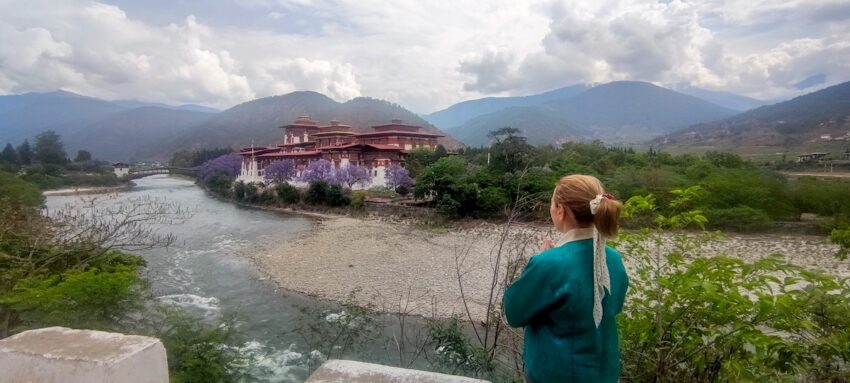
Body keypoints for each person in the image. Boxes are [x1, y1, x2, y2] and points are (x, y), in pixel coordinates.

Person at [504, 174, 629, 383]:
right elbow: (614, 307)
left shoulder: (550, 263)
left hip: (556, 374)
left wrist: (540, 260)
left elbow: (514, 312)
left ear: (560, 210)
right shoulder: (614, 259)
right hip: (605, 374)